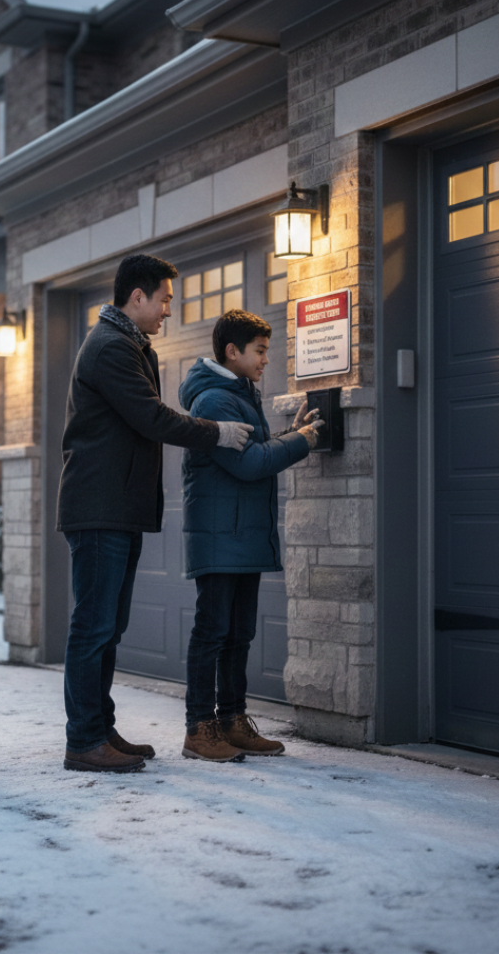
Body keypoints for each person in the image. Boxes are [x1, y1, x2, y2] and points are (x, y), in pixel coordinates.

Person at [57, 253, 254, 773]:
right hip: (99, 506)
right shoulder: (110, 348)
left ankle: (100, 727)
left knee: (109, 626)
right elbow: (149, 417)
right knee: (93, 626)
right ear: (136, 297)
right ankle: (83, 740)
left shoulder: (127, 345)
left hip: (117, 506)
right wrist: (217, 432)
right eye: (164, 298)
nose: (170, 308)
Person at [179, 309, 323, 762]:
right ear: (232, 351)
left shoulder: (239, 395)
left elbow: (256, 451)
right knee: (213, 632)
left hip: (241, 535)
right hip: (221, 537)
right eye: (260, 351)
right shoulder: (213, 402)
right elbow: (249, 464)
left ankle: (233, 721)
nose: (266, 359)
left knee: (238, 633)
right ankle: (199, 728)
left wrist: (291, 431)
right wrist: (303, 441)